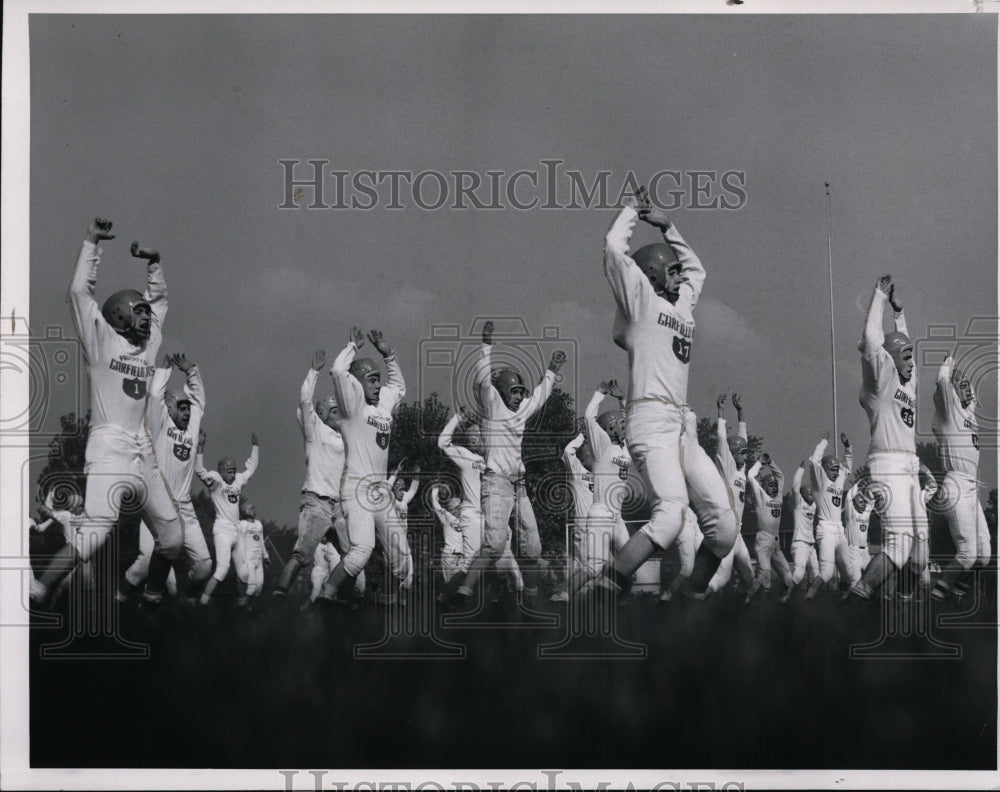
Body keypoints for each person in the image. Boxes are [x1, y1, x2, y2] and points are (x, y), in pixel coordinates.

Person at [593, 186, 738, 599]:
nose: (678, 274)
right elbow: (612, 248)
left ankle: (685, 599)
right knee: (671, 514)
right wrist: (633, 212)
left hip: (681, 423)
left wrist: (669, 226)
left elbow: (698, 273)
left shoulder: (682, 309)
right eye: (670, 269)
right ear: (652, 274)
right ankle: (609, 585)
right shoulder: (640, 302)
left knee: (725, 529)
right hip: (649, 419)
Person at [32, 218, 181, 608]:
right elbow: (79, 292)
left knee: (173, 540)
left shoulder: (150, 344)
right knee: (94, 535)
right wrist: (92, 243)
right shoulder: (101, 341)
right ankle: (39, 590)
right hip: (110, 449)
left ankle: (148, 601)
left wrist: (155, 263)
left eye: (147, 313)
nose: (148, 317)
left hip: (142, 452)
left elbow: (161, 301)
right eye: (139, 311)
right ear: (119, 316)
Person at [437, 320, 565, 609]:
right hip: (496, 484)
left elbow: (541, 396)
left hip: (518, 486)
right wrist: (486, 345)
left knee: (533, 547)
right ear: (504, 391)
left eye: (522, 391)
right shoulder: (493, 405)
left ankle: (531, 599)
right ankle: (463, 593)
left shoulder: (521, 412)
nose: (521, 396)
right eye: (516, 391)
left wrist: (552, 370)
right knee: (494, 544)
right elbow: (483, 381)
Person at [850, 275, 926, 602]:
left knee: (920, 550)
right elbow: (871, 341)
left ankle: (895, 599)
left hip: (908, 466)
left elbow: (902, 342)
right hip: (888, 462)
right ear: (893, 358)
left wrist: (900, 313)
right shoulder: (881, 382)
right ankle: (859, 594)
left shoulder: (907, 385)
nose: (912, 362)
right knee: (898, 543)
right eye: (906, 357)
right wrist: (879, 297)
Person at [319, 328, 407, 604]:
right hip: (356, 488)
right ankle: (324, 600)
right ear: (357, 384)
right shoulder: (352, 407)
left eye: (377, 379)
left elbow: (399, 388)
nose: (377, 385)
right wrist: (352, 348)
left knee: (402, 557)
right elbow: (336, 371)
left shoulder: (382, 406)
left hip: (381, 493)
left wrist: (388, 354)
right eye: (371, 380)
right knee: (361, 551)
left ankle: (386, 604)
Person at [117, 353, 211, 602]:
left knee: (204, 567)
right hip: (158, 506)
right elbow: (156, 396)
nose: (186, 413)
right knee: (145, 567)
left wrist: (191, 369)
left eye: (187, 409)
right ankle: (120, 602)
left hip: (185, 509)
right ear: (169, 409)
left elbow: (199, 400)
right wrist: (165, 371)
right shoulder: (160, 425)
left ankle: (184, 600)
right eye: (180, 408)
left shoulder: (191, 427)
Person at [273, 350, 347, 600]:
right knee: (302, 556)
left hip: (339, 506)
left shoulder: (344, 438)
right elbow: (305, 401)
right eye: (334, 411)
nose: (338, 414)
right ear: (323, 414)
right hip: (316, 501)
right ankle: (278, 598)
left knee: (354, 555)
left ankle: (331, 599)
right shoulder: (315, 431)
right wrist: (314, 372)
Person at [931, 355, 992, 601]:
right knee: (967, 553)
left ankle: (954, 597)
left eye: (969, 385)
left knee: (984, 555)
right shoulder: (950, 411)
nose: (966, 388)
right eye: (961, 385)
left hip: (971, 490)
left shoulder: (970, 413)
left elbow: (970, 393)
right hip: (955, 484)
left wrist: (963, 378)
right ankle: (934, 605)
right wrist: (948, 364)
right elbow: (943, 382)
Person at [567, 380, 632, 596]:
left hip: (617, 517)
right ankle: (563, 596)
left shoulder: (625, 449)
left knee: (631, 561)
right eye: (621, 425)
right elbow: (588, 418)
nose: (625, 427)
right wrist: (599, 394)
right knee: (594, 565)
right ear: (611, 428)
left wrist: (623, 400)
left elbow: (632, 423)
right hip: (601, 513)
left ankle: (619, 604)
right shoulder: (602, 445)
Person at [195, 433, 260, 604]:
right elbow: (199, 470)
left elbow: (250, 470)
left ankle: (242, 608)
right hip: (222, 530)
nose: (232, 474)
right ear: (222, 471)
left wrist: (255, 447)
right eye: (229, 471)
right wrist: (201, 447)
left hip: (236, 530)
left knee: (244, 573)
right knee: (222, 569)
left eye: (233, 471)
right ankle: (202, 603)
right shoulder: (217, 483)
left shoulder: (237, 481)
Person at [706, 393, 756, 596]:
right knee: (722, 577)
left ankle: (745, 610)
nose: (746, 455)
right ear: (733, 453)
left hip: (738, 533)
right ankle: (696, 601)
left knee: (749, 577)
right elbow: (721, 439)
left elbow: (742, 437)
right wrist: (721, 412)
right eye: (742, 452)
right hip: (727, 531)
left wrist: (740, 411)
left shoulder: (741, 470)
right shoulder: (727, 467)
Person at [805, 432, 856, 600]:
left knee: (848, 574)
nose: (835, 472)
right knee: (826, 572)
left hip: (839, 530)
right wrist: (824, 443)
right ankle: (807, 600)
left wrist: (847, 447)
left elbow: (847, 466)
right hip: (825, 528)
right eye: (832, 469)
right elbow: (813, 461)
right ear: (825, 469)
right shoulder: (820, 482)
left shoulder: (838, 479)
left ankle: (843, 602)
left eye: (836, 469)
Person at [552, 426, 594, 602]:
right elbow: (569, 451)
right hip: (584, 523)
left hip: (602, 524)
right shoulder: (577, 471)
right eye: (589, 452)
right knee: (586, 562)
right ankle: (572, 595)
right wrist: (582, 436)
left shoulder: (602, 473)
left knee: (590, 562)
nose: (593, 455)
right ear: (583, 456)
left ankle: (564, 593)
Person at [745, 454, 793, 602]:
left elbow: (781, 476)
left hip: (775, 542)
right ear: (764, 486)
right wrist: (760, 462)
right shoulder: (760, 496)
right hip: (764, 539)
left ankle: (782, 601)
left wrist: (772, 462)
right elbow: (750, 476)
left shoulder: (778, 498)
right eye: (770, 486)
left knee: (787, 575)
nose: (774, 488)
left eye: (775, 486)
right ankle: (751, 602)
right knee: (764, 575)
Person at [788, 460, 820, 602]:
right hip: (800, 543)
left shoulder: (813, 506)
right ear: (803, 494)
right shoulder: (799, 504)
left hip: (811, 545)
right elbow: (795, 487)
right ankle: (787, 597)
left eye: (813, 494)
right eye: (809, 493)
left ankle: (808, 601)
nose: (812, 496)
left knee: (816, 574)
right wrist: (800, 470)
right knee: (799, 573)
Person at [235, 502, 269, 608]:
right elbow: (240, 543)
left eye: (254, 508)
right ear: (245, 511)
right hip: (249, 558)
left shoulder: (258, 524)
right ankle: (241, 608)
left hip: (258, 559)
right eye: (251, 508)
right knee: (251, 587)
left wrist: (266, 557)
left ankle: (249, 607)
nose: (254, 510)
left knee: (259, 587)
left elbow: (261, 541)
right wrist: (243, 560)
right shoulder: (242, 524)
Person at [842, 474, 875, 585]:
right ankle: (850, 600)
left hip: (865, 551)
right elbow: (848, 498)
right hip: (853, 550)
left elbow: (872, 501)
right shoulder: (851, 513)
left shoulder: (866, 513)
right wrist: (857, 482)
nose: (863, 504)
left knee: (871, 578)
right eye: (860, 502)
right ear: (855, 504)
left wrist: (868, 486)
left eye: (864, 502)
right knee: (855, 579)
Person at [430, 484, 464, 584]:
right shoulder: (446, 517)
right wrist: (435, 490)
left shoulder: (466, 520)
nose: (459, 509)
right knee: (450, 586)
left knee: (462, 586)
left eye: (460, 507)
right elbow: (436, 505)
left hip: (463, 557)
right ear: (451, 509)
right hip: (450, 556)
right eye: (456, 507)